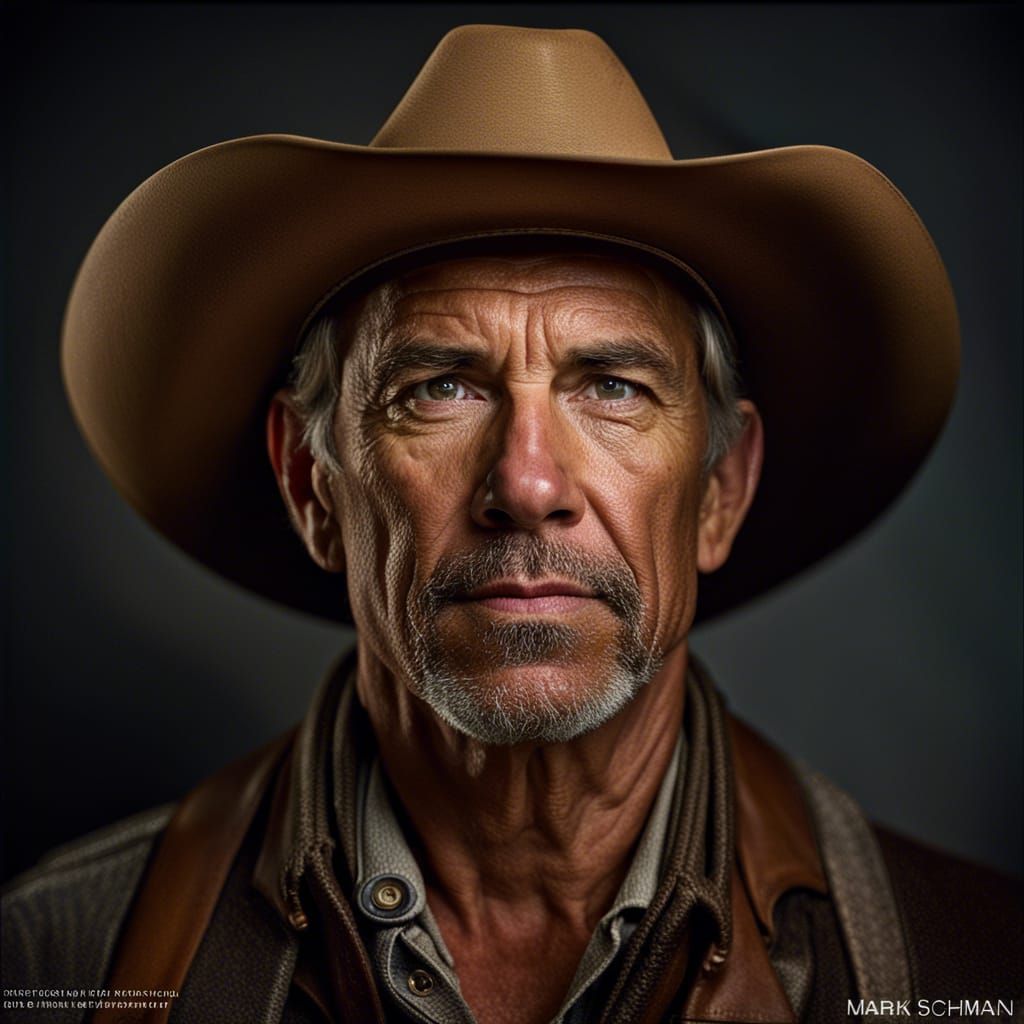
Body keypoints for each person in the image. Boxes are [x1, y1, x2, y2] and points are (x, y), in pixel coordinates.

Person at [2, 23, 1020, 1024]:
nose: (528, 483)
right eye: (440, 386)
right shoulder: (63, 961)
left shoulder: (970, 967)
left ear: (719, 489)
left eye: (612, 386)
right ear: (313, 483)